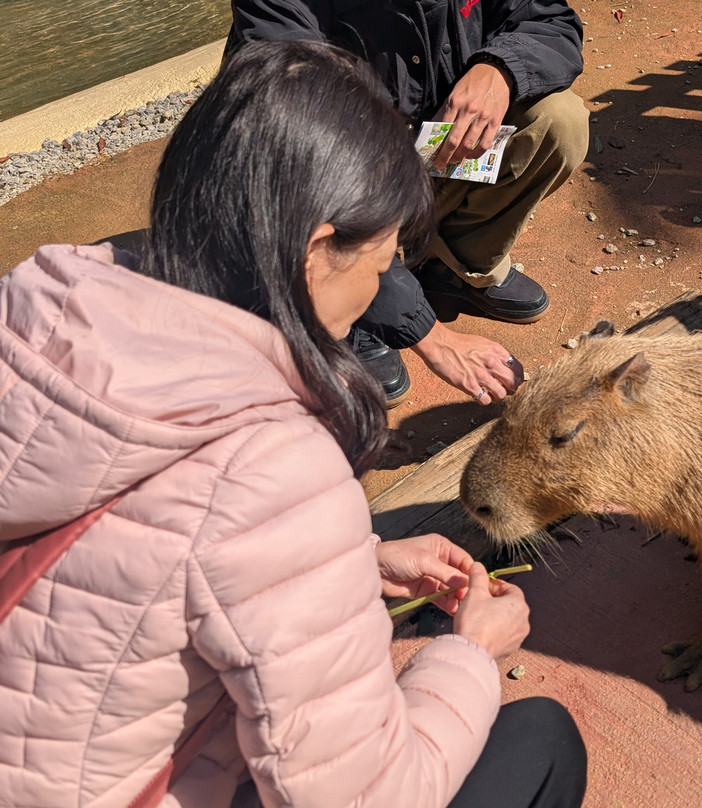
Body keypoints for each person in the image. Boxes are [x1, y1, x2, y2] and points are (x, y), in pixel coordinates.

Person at [0, 41, 586, 808]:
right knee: (542, 742)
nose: (375, 290)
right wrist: (470, 653)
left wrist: (357, 561)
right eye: (381, 264)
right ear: (316, 252)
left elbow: (153, 551)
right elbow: (365, 796)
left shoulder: (33, 314)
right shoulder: (278, 471)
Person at [226, 0, 590, 406]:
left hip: (421, 157)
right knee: (309, 170)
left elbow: (550, 18)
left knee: (559, 119)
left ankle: (448, 266)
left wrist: (501, 69)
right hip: (329, 181)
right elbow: (297, 156)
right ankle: (349, 311)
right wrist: (432, 338)